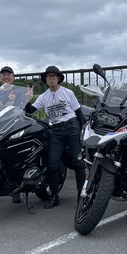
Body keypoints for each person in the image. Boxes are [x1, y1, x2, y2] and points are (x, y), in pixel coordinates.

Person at [25, 65, 86, 209]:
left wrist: (83, 130)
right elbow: (30, 110)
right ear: (46, 80)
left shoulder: (68, 92)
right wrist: (27, 100)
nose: (51, 78)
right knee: (52, 164)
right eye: (48, 76)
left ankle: (82, 196)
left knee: (78, 163)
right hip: (57, 131)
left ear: (58, 79)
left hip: (72, 128)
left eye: (54, 76)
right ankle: (54, 195)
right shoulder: (43, 97)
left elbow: (78, 112)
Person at [0, 66, 33, 204]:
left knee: (16, 157)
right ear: (0, 77)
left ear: (13, 77)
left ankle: (16, 191)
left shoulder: (18, 91)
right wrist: (5, 101)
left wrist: (28, 100)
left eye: (9, 74)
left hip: (14, 128)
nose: (6, 77)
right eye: (3, 74)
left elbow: (21, 108)